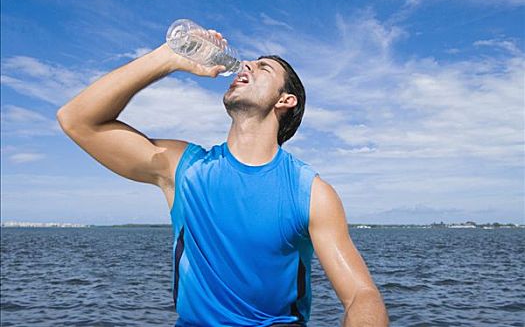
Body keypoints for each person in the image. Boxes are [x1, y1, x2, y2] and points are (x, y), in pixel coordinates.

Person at [57, 29, 389, 327]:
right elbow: (77, 119)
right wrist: (168, 57)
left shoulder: (311, 193)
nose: (246, 66)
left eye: (263, 68)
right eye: (248, 63)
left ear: (285, 100)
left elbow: (361, 295)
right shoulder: (184, 169)